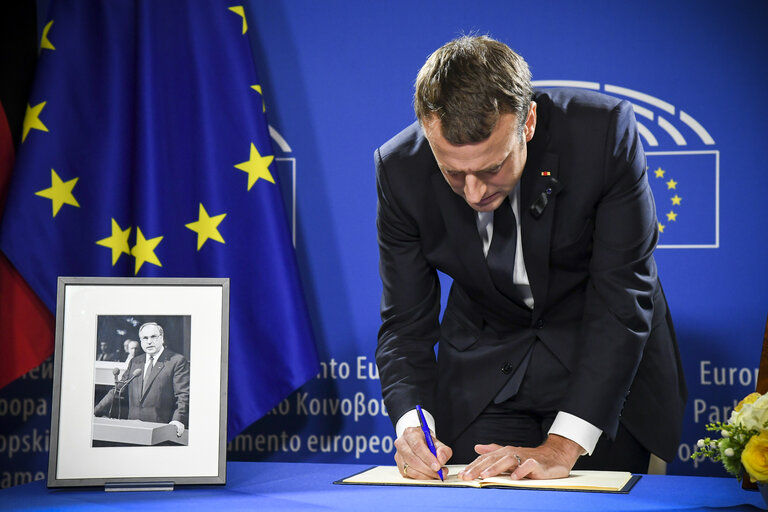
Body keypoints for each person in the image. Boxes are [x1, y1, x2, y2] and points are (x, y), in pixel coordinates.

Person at [374, 35, 686, 481]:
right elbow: (405, 322)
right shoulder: (398, 168)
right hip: (486, 374)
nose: (475, 193)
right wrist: (412, 426)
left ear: (529, 122)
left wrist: (561, 446)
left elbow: (622, 297)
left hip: (604, 371)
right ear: (427, 130)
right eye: (453, 173)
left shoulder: (603, 133)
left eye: (491, 168)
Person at [95, 321, 189, 437]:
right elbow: (119, 389)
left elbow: (183, 395)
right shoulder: (135, 362)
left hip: (161, 430)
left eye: (153, 337)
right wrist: (95, 412)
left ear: (162, 338)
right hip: (133, 429)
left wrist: (178, 420)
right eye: (145, 338)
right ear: (141, 341)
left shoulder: (177, 361)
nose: (149, 341)